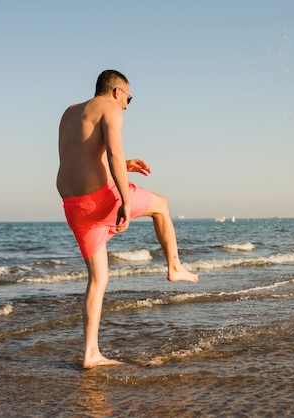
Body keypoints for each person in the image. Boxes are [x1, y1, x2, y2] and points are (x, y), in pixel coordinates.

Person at [57, 69, 198, 369]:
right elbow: (113, 154)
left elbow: (80, 157)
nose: (126, 106)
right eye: (129, 99)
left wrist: (126, 163)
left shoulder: (70, 112)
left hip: (73, 206)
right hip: (101, 199)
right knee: (161, 204)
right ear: (117, 91)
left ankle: (90, 353)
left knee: (98, 278)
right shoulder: (110, 108)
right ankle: (174, 266)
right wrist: (126, 199)